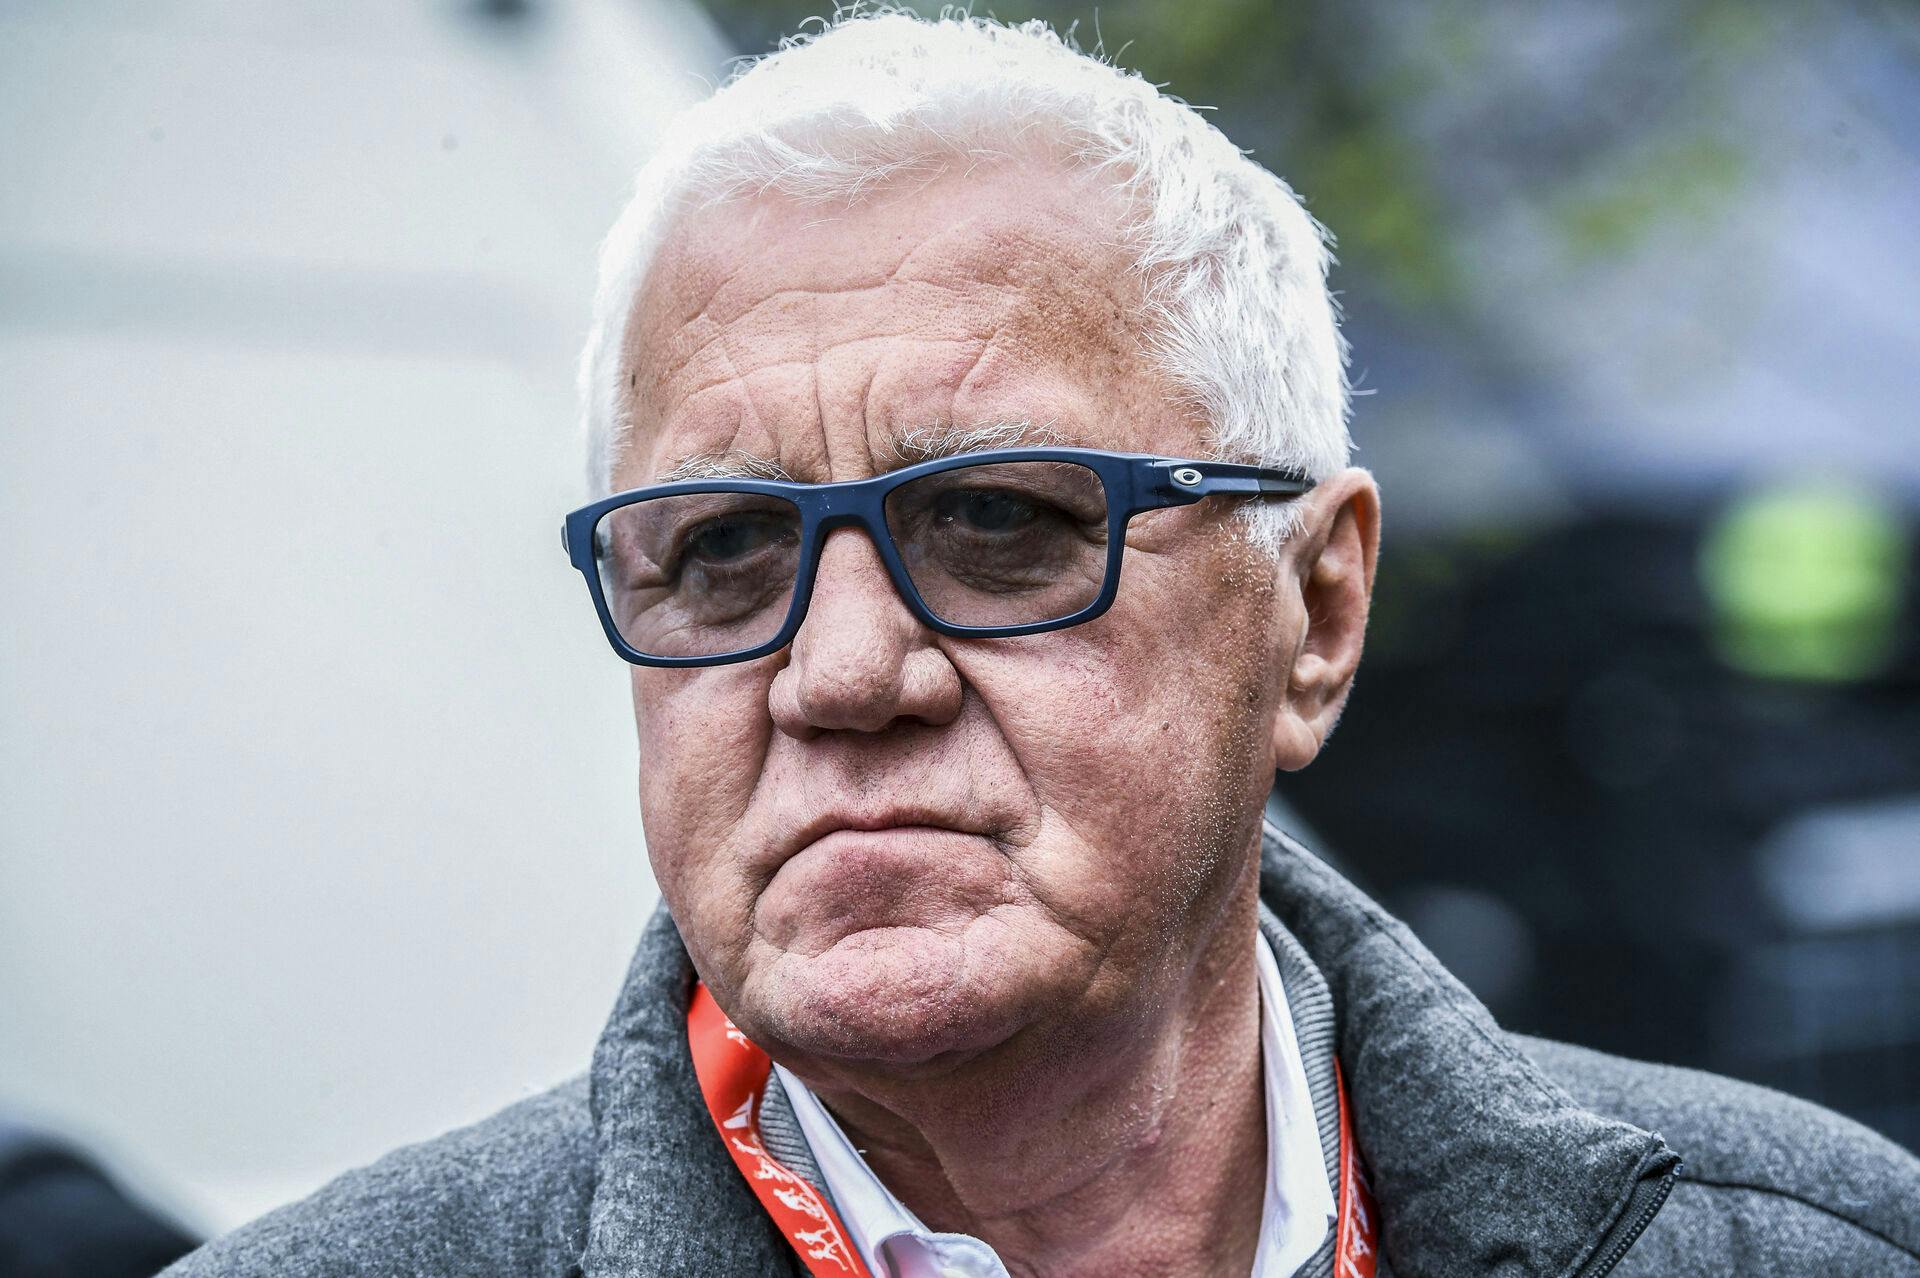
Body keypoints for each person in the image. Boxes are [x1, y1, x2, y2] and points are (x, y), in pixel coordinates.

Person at [167, 12, 1920, 1277]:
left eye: (1000, 523)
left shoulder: (1799, 1245)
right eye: (717, 550)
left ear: (1315, 613)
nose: (845, 674)